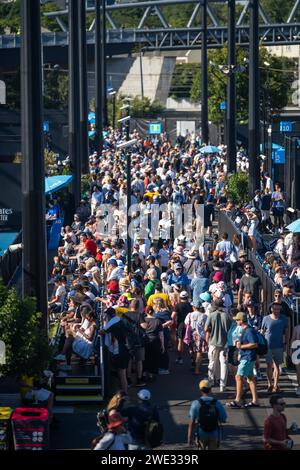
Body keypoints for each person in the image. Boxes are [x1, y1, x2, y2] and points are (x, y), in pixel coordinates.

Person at [227, 312, 259, 409]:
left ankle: (237, 400)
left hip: (248, 357)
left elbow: (254, 344)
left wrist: (241, 346)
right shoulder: (245, 329)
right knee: (250, 379)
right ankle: (255, 400)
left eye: (237, 320)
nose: (236, 321)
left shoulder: (249, 331)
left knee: (238, 377)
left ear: (241, 320)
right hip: (247, 356)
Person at [187, 379, 227, 450]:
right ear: (210, 389)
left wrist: (190, 437)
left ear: (200, 390)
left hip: (201, 433)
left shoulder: (196, 403)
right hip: (214, 433)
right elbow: (224, 418)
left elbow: (191, 422)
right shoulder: (217, 403)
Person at [205, 298, 232, 392]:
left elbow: (206, 328)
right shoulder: (227, 316)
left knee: (212, 362)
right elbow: (230, 330)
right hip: (224, 343)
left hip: (213, 342)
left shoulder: (211, 315)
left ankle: (211, 381)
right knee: (223, 364)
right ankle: (222, 385)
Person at [261, 302, 289, 393]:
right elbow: (262, 331)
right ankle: (269, 384)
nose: (277, 310)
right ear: (271, 309)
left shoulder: (283, 319)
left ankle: (276, 385)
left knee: (277, 366)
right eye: (275, 309)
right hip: (268, 346)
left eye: (278, 309)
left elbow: (286, 332)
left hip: (279, 346)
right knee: (269, 365)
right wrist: (261, 344)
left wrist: (286, 344)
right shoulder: (266, 318)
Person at [184, 302, 208, 375]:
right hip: (200, 335)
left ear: (194, 307)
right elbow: (207, 327)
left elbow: (186, 324)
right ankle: (197, 369)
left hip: (191, 335)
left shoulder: (190, 314)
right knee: (199, 352)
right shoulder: (204, 316)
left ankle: (194, 364)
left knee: (193, 351)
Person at [173, 291, 193, 364]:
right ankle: (191, 357)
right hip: (188, 325)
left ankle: (179, 358)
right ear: (187, 297)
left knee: (180, 341)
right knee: (190, 341)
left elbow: (173, 316)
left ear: (180, 297)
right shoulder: (190, 306)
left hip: (180, 324)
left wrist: (173, 322)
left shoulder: (177, 306)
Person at [290, 324, 300, 396]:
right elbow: (293, 340)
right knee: (298, 371)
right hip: (298, 350)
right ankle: (299, 387)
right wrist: (291, 351)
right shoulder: (296, 328)